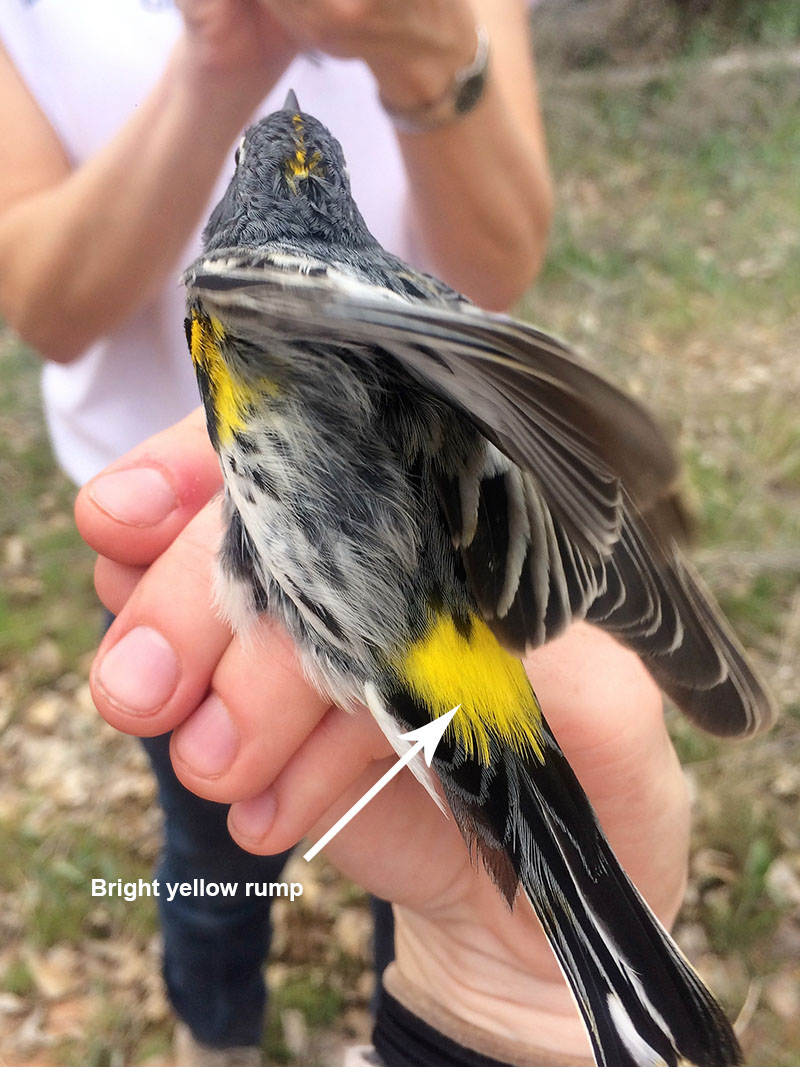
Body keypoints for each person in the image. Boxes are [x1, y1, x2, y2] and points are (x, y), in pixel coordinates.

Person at [0, 1, 564, 1062]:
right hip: (178, 557)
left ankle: (415, 1010)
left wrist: (425, 44)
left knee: (435, 835)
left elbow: (494, 280)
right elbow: (46, 305)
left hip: (415, 539)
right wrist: (221, 58)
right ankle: (215, 1032)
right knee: (213, 840)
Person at [76, 408, 692, 1066]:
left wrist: (515, 1000)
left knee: (248, 826)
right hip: (239, 564)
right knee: (214, 865)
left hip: (442, 539)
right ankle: (216, 1032)